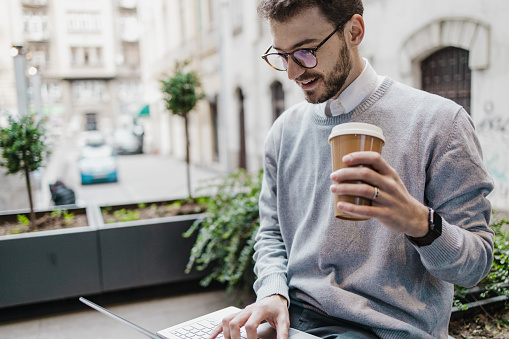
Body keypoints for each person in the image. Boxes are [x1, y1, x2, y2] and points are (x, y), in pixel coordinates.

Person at [209, 1, 494, 338]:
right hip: (296, 322)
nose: (293, 72)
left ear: (354, 31)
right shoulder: (284, 132)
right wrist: (272, 291)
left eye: (305, 51)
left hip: (388, 330)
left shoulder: (440, 122)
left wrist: (419, 223)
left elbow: (476, 266)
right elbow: (272, 234)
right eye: (282, 55)